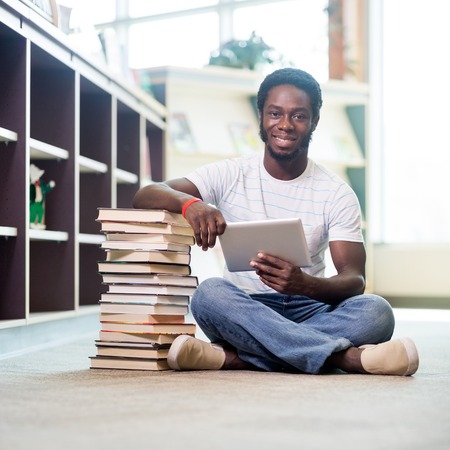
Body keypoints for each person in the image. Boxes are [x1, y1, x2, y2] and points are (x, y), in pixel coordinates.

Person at [133, 67, 419, 376]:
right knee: (209, 295)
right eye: (275, 113)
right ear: (260, 116)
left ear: (314, 121)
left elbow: (354, 279)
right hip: (244, 308)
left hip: (310, 309)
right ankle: (344, 359)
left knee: (377, 312)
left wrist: (304, 284)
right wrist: (189, 204)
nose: (284, 125)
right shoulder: (231, 173)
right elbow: (146, 195)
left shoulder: (336, 193)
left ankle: (235, 358)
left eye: (298, 116)